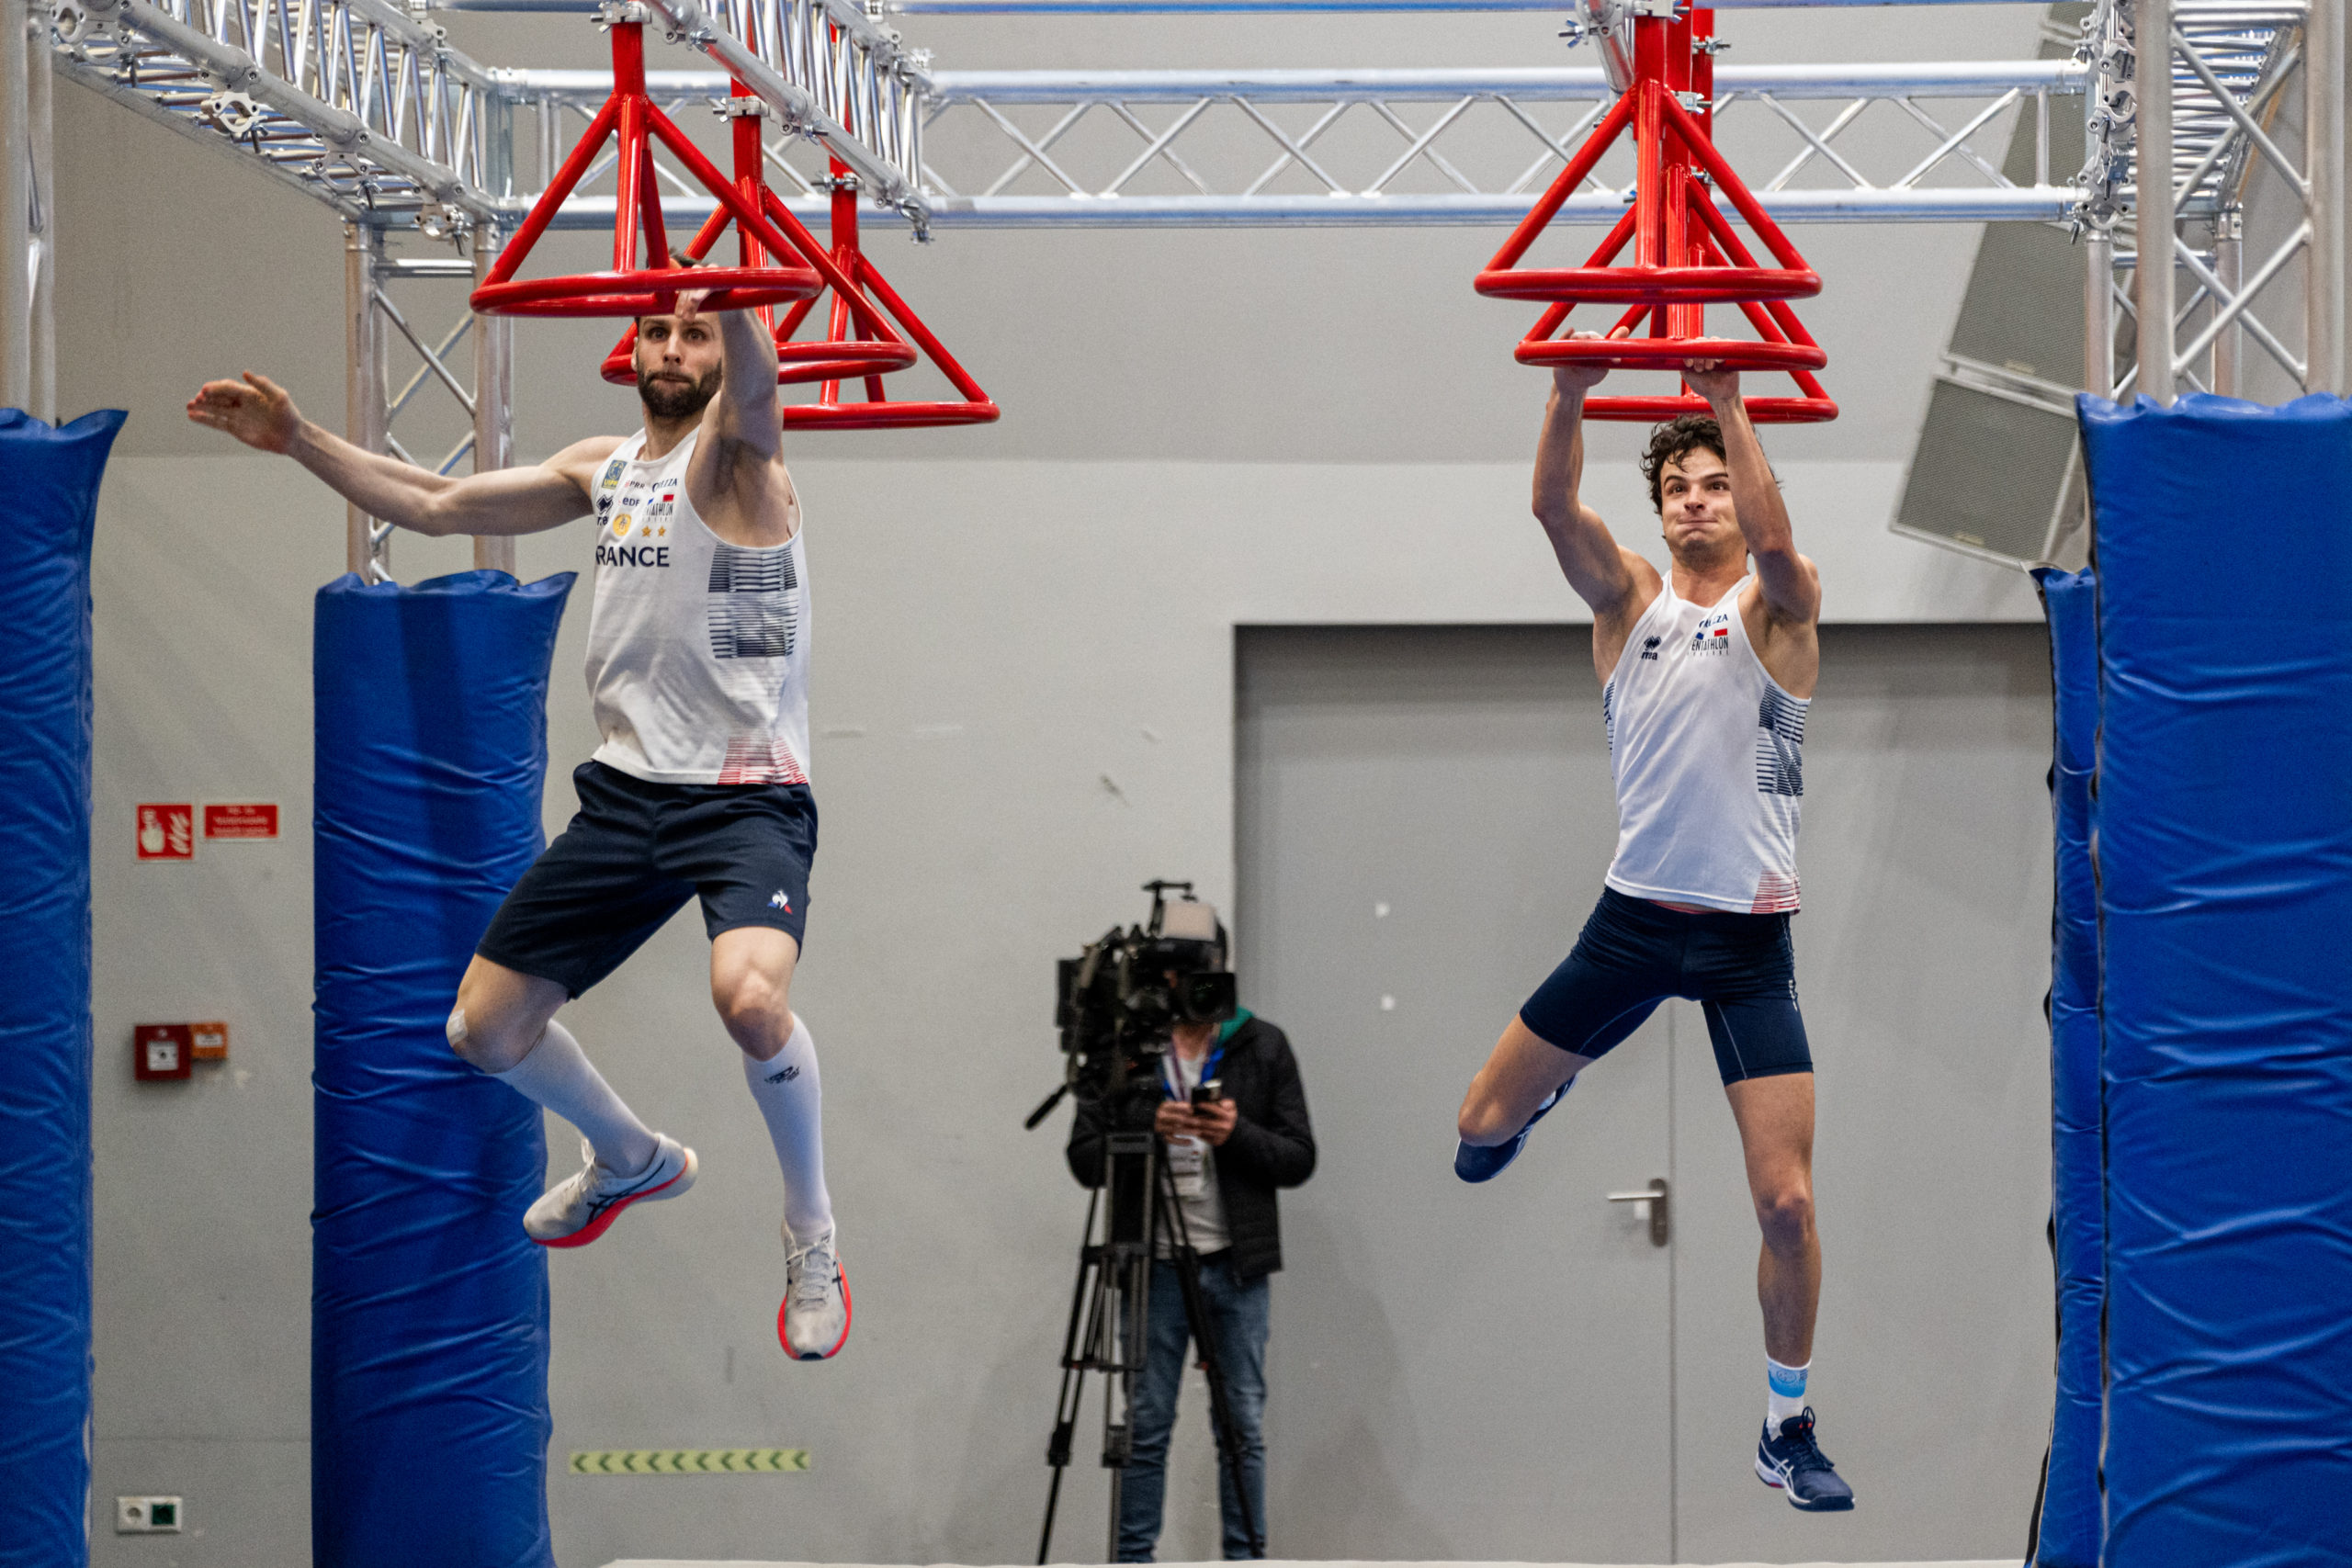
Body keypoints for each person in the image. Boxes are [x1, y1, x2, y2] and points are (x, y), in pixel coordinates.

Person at [186, 292, 850, 1361]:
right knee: (482, 1033)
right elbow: (437, 501)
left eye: (697, 333)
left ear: (724, 357)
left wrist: (737, 300)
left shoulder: (743, 462)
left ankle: (810, 1229)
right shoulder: (605, 467)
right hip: (628, 798)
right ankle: (630, 1157)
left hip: (745, 797)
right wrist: (299, 439)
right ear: (633, 347)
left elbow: (762, 390)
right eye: (659, 330)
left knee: (750, 999)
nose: (673, 348)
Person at [1450, 351, 1853, 1511]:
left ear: (1744, 489)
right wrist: (1569, 393)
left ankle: (1786, 1424)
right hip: (1630, 925)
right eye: (1676, 487)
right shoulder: (1628, 601)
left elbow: (1777, 545)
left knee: (1787, 1204)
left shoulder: (1780, 605)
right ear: (1659, 508)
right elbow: (1549, 507)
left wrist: (1728, 402)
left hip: (1746, 945)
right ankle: (1545, 1089)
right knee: (1479, 1131)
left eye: (1714, 483)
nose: (1693, 501)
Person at [1067, 999, 1317, 1561]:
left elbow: (1299, 1157)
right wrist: (1147, 1127)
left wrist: (1236, 1133)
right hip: (1151, 1264)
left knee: (1242, 1427)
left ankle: (1244, 1559)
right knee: (1145, 1425)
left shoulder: (1262, 1043)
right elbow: (1084, 1160)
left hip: (1236, 1264)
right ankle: (1133, 1560)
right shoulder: (1127, 1045)